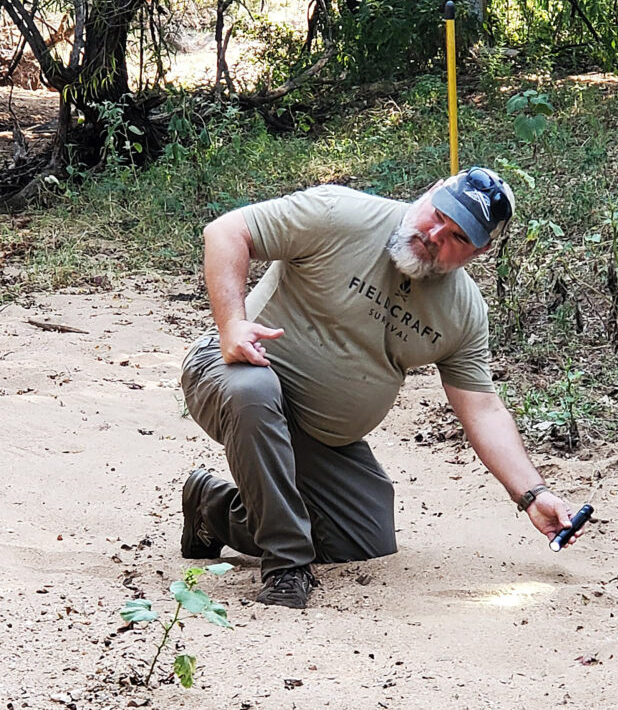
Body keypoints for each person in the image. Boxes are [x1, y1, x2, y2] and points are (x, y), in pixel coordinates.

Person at [180, 167, 583, 609]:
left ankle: (212, 508)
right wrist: (232, 325)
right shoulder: (341, 215)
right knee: (253, 392)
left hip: (315, 433)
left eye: (457, 236)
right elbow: (227, 231)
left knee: (362, 538)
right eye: (439, 214)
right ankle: (287, 566)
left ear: (480, 251)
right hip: (232, 373)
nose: (435, 234)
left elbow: (483, 409)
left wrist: (532, 495)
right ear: (430, 191)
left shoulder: (463, 313)